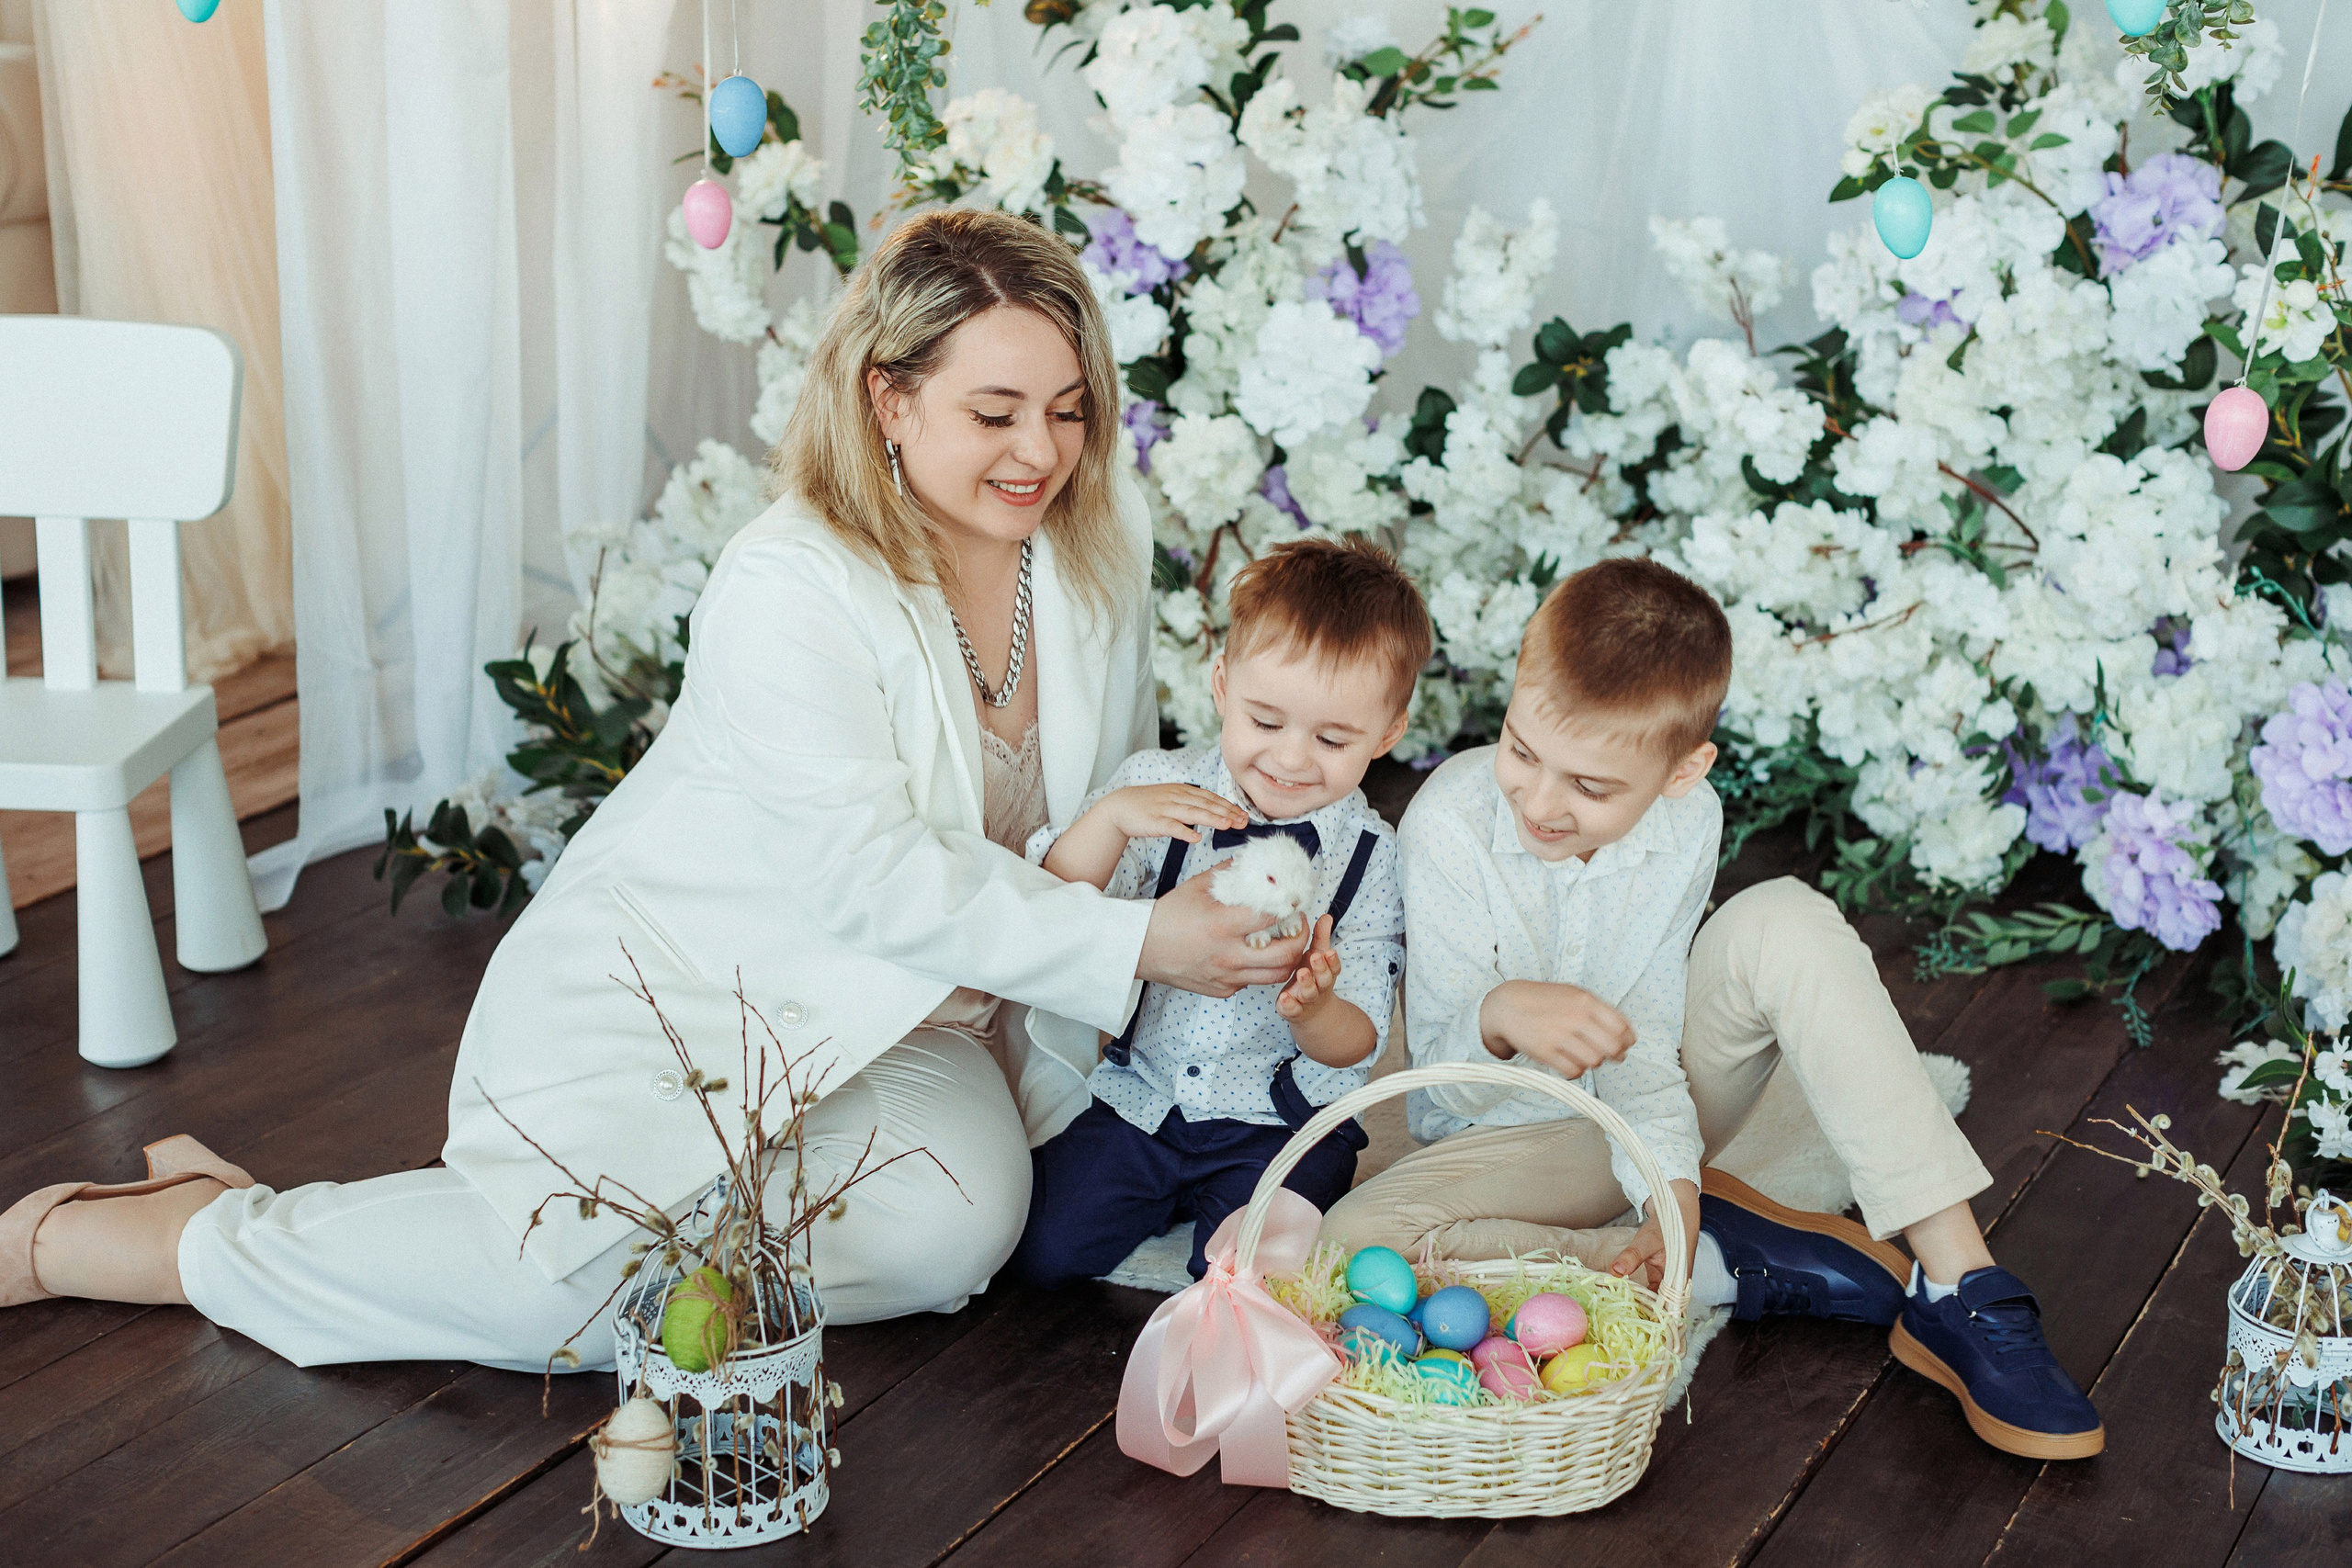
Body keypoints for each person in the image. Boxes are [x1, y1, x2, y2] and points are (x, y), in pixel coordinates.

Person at [0, 209, 1313, 1371]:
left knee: (951, 1236)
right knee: (545, 1296)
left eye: (1070, 409)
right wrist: (1136, 944)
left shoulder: (1092, 542)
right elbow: (867, 876)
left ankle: (630, 1237)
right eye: (996, 413)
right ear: (889, 399)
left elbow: (1116, 790)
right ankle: (187, 1237)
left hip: (920, 1023)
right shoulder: (791, 581)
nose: (1044, 451)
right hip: (694, 999)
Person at [1320, 557, 2106, 1462]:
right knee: (1348, 1245)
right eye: (1521, 750)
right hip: (1502, 1137)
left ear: (1683, 770)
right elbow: (1440, 1098)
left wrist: (1672, 1177)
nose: (1538, 800)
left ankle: (1960, 1286)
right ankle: (1711, 1263)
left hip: (1653, 1098)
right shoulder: (1450, 822)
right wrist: (1498, 1017)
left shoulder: (1689, 819)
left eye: (1590, 787)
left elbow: (1649, 1036)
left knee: (1785, 918)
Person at [1008, 538, 1427, 1286]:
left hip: (1282, 1122)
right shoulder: (1157, 788)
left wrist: (1314, 1009)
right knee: (1042, 1248)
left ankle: (1233, 1223)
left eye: (1332, 739)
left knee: (1248, 1276)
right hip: (1147, 1098)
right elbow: (1053, 903)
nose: (1291, 759)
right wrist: (1110, 819)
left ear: (1389, 733)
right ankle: (1160, 1194)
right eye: (1265, 722)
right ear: (1223, 686)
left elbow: (1357, 1040)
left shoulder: (1373, 856)